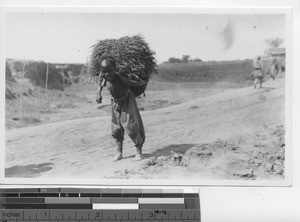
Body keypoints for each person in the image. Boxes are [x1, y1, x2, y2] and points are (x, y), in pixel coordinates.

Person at [96, 57, 146, 162]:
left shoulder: (121, 79)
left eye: (109, 71)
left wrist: (142, 83)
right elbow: (100, 83)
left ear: (115, 69)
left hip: (127, 100)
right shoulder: (103, 76)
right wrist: (98, 93)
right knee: (116, 127)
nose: (106, 74)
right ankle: (119, 153)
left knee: (131, 125)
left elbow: (134, 83)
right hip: (115, 102)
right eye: (103, 72)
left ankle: (138, 152)